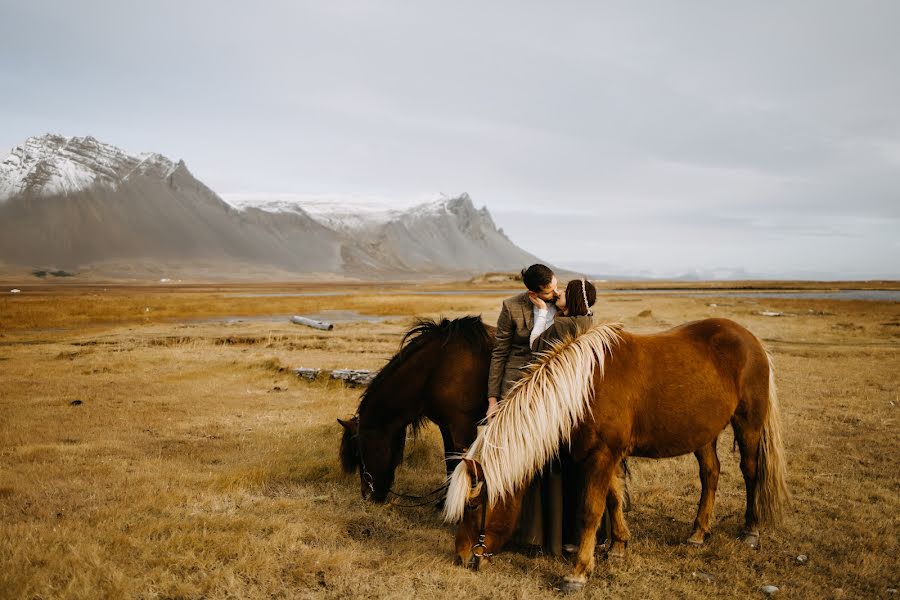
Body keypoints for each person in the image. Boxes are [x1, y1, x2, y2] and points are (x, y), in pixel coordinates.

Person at [513, 278, 603, 556]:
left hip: (560, 410)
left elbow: (536, 346)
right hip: (587, 408)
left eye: (564, 291)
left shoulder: (564, 325)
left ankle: (550, 534)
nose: (558, 293)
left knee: (555, 473)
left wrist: (542, 313)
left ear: (574, 298)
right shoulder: (592, 322)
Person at [486, 264, 560, 421]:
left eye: (556, 286)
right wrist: (492, 400)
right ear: (532, 293)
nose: (556, 293)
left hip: (555, 379)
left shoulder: (563, 302)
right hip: (516, 380)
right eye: (549, 292)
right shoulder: (511, 306)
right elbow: (500, 352)